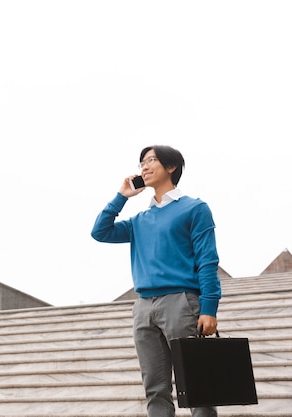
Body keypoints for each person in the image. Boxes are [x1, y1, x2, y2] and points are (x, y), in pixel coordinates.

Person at [91, 145, 221, 417]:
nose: (144, 168)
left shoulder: (195, 209)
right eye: (141, 164)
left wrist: (209, 308)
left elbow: (207, 261)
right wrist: (121, 197)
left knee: (199, 386)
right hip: (143, 308)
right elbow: (100, 232)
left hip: (182, 303)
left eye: (151, 161)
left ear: (171, 167)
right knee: (155, 389)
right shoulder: (140, 220)